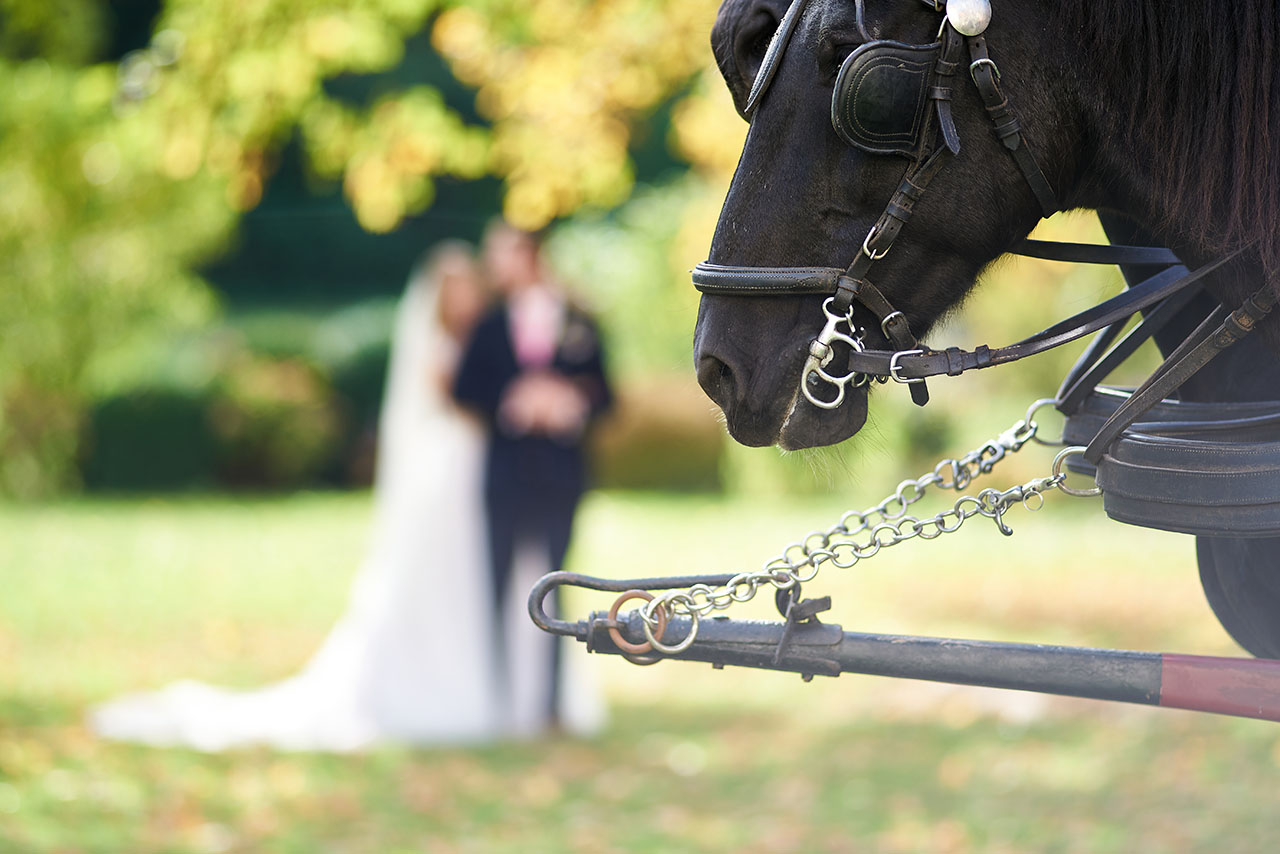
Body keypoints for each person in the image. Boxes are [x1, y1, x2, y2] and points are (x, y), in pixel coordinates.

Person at [90, 242, 504, 751]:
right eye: (456, 287)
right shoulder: (437, 347)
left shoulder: (487, 341)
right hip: (442, 478)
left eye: (471, 286)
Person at [452, 221, 612, 736]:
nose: (495, 264)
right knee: (493, 584)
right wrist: (511, 403)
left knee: (558, 586)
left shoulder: (579, 318)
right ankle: (493, 700)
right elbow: (463, 388)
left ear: (530, 255)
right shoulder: (489, 323)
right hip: (504, 475)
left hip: (562, 474)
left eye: (503, 253)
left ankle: (551, 705)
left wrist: (571, 403)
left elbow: (608, 394)